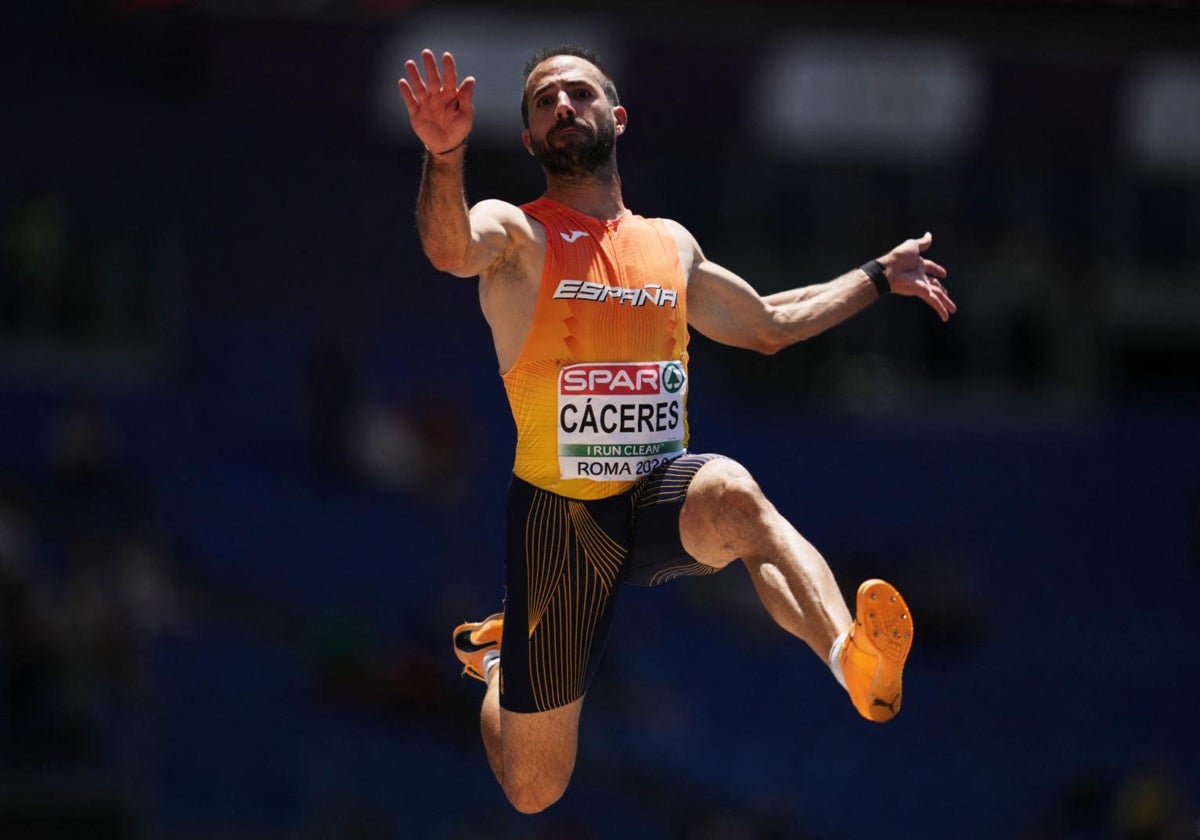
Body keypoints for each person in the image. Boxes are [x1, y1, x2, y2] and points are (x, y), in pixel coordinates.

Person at [397, 45, 956, 814]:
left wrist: (876, 276)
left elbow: (768, 323)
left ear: (616, 117)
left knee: (734, 493)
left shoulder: (671, 244)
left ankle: (851, 659)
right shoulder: (517, 235)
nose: (563, 104)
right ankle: (502, 663)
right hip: (562, 520)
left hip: (658, 496)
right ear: (528, 140)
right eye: (543, 100)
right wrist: (446, 154)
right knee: (534, 789)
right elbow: (449, 245)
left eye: (579, 92)